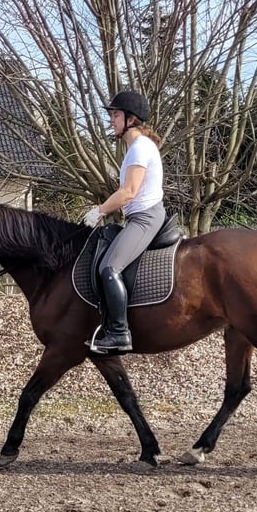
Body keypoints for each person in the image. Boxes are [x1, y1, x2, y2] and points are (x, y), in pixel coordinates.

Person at [83, 91, 166, 353]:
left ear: (131, 119)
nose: (111, 120)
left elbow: (129, 191)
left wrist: (99, 211)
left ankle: (119, 333)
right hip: (139, 216)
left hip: (145, 218)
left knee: (109, 268)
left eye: (115, 115)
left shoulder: (140, 147)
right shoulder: (135, 148)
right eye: (112, 115)